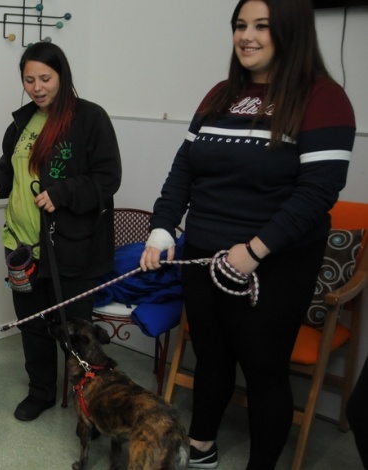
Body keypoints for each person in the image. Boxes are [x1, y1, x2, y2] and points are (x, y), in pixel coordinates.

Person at [138, 1, 355, 468]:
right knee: (211, 355)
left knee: (264, 370)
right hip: (203, 254)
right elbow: (183, 172)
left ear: (290, 32)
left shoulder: (322, 97)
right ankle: (202, 444)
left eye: (262, 26)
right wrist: (161, 228)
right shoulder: (220, 94)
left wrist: (256, 250)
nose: (247, 36)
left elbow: (318, 191)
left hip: (274, 263)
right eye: (240, 25)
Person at [0, 41, 121, 422]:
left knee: (77, 331)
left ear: (62, 76)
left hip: (70, 248)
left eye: (45, 78)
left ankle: (90, 398)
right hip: (21, 246)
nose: (37, 87)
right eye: (29, 79)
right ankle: (39, 391)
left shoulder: (89, 118)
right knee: (33, 325)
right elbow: (8, 167)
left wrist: (64, 193)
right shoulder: (21, 123)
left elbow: (108, 177)